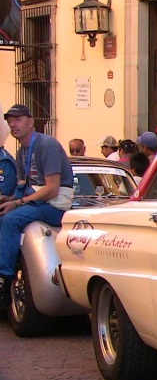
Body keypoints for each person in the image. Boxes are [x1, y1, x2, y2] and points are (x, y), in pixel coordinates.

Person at [0, 104, 74, 306]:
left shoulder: (47, 145)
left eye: (18, 120)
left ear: (31, 122)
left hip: (55, 206)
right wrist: (9, 199)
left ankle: (3, 280)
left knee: (11, 219)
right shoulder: (21, 151)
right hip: (39, 202)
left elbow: (52, 189)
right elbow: (23, 185)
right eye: (10, 121)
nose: (13, 125)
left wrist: (18, 203)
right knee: (5, 215)